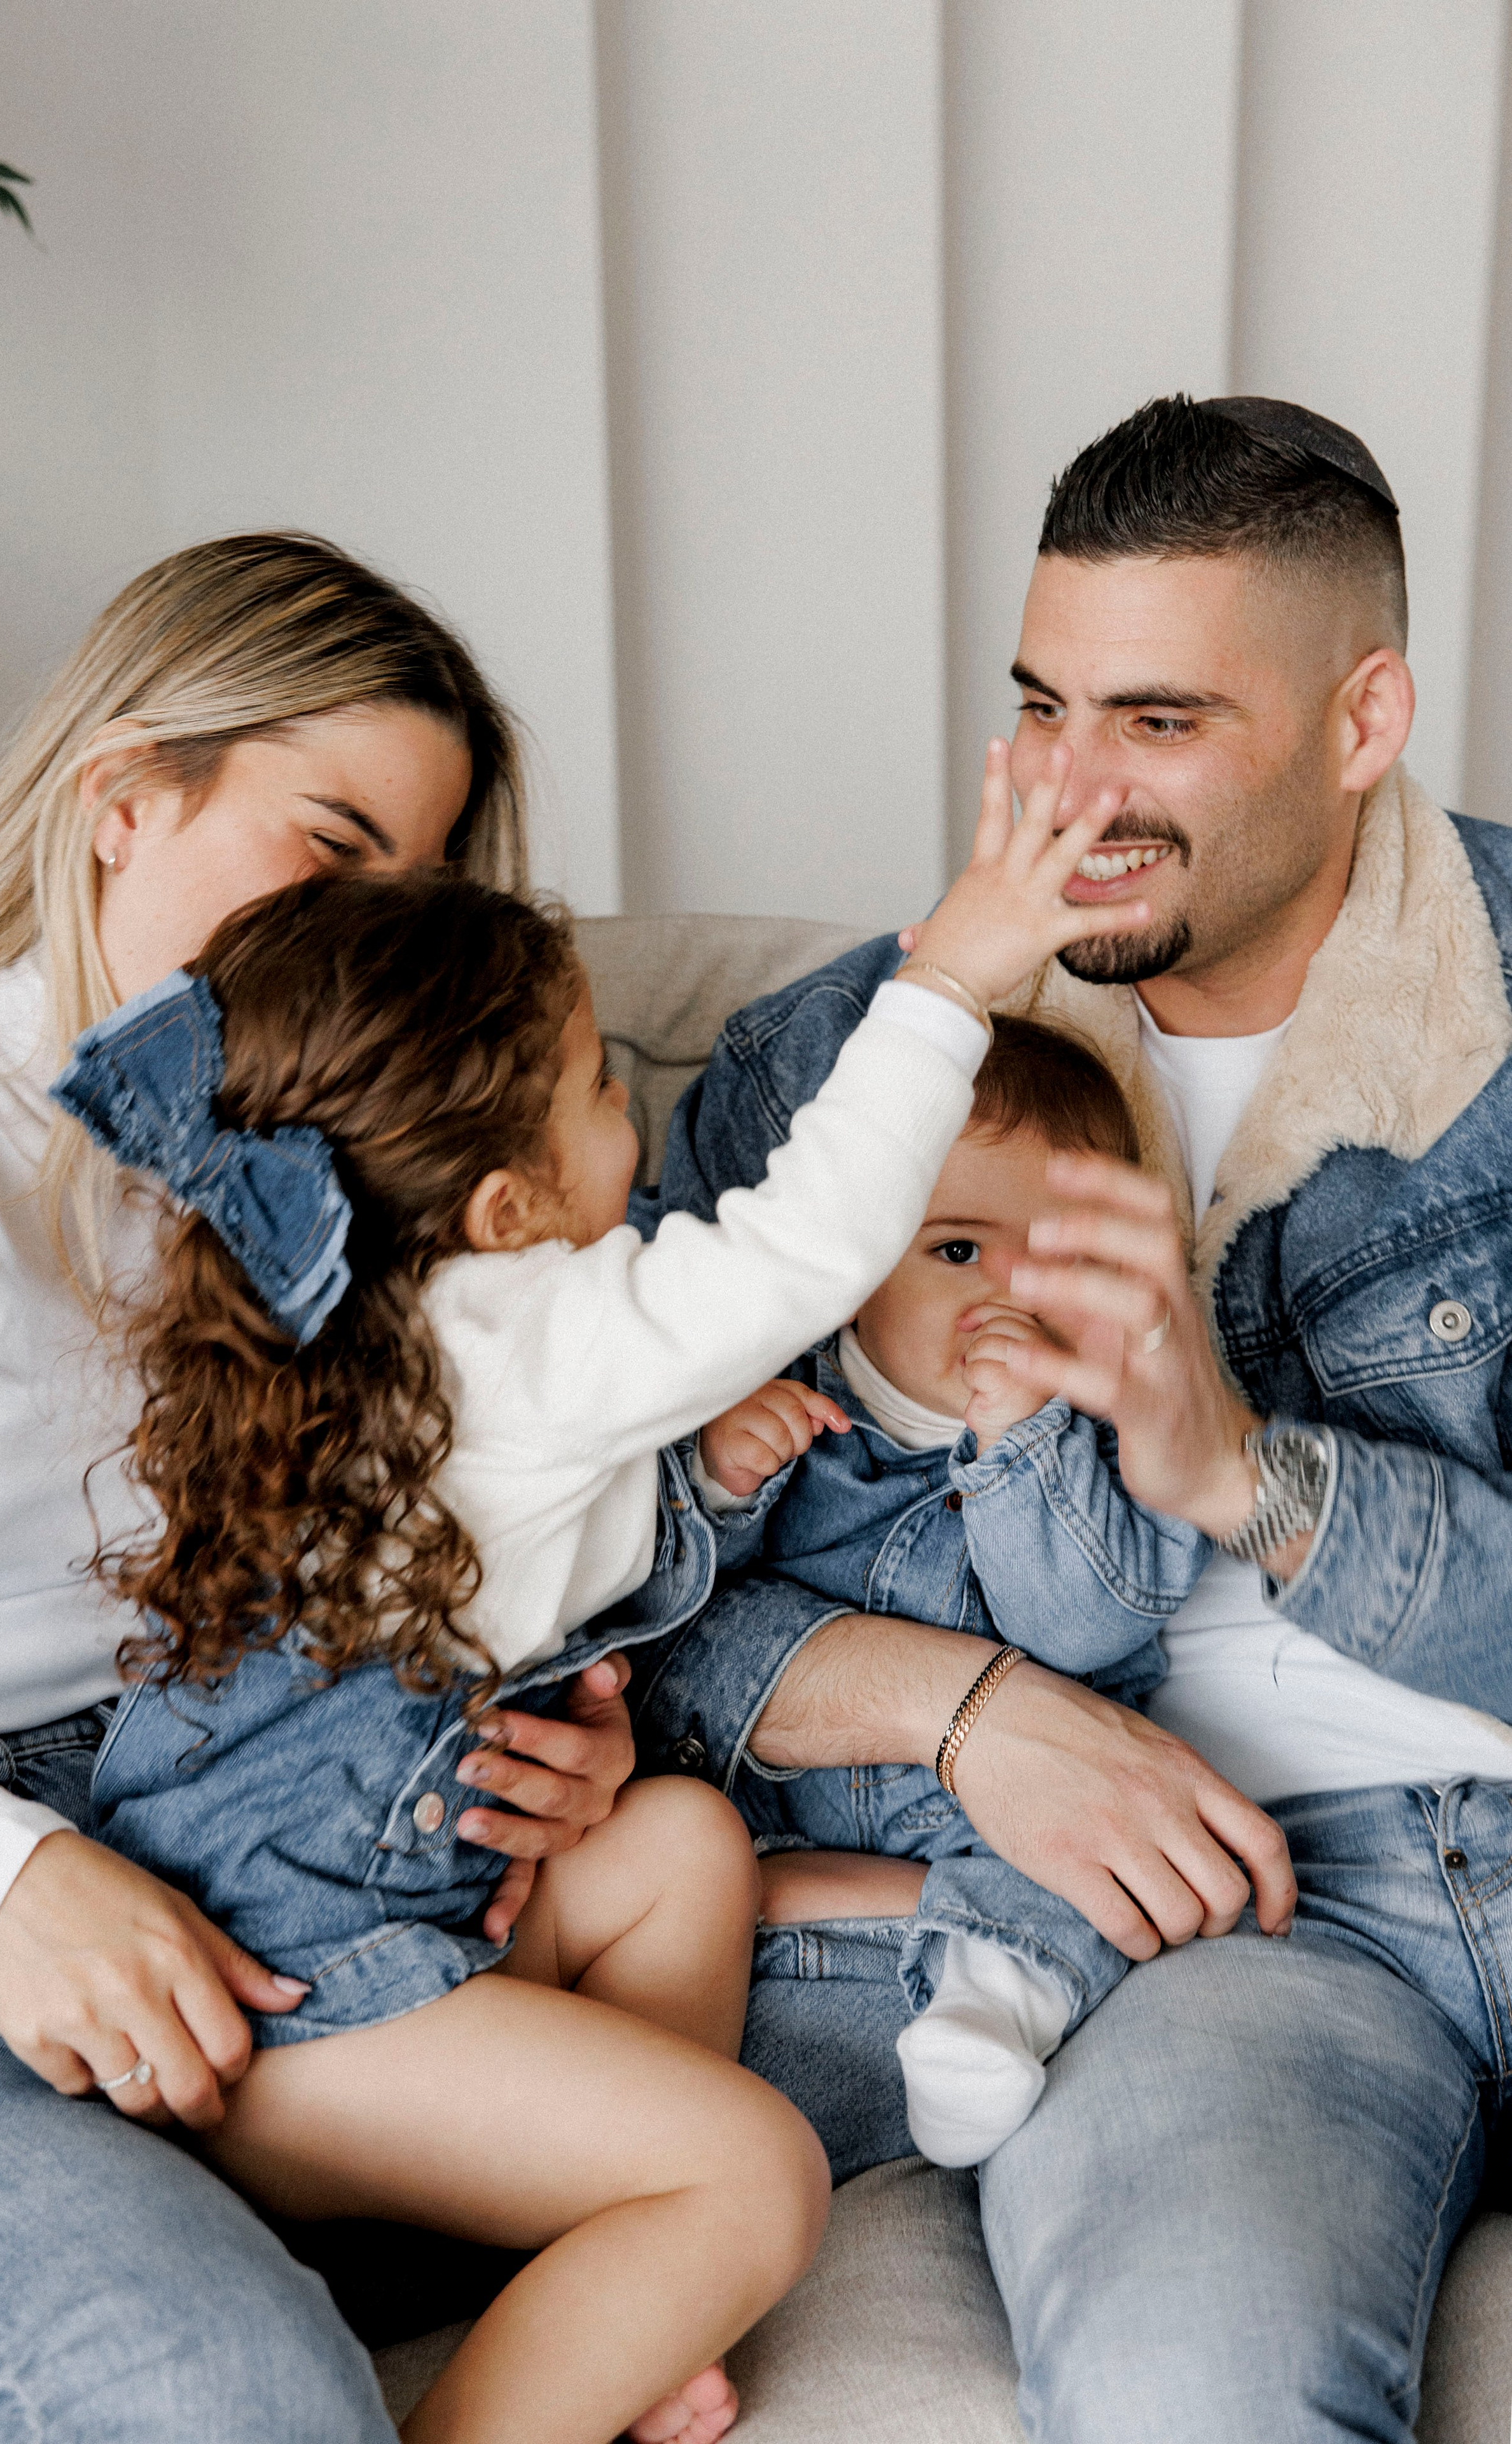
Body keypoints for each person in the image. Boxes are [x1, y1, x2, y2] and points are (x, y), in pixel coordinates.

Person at [54, 757, 1144, 2438]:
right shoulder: (514, 1326)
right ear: (505, 1212)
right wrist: (950, 977)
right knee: (758, 2175)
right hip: (305, 2008)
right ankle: (569, 2330)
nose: (639, 1121)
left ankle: (603, 2266)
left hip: (337, 1945)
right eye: (599, 1093)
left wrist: (701, 1477)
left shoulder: (387, 1335)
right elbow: (801, 1248)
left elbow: (530, 1545)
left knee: (678, 1850)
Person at [633, 395, 1512, 2439]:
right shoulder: (841, 1069)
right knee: (1200, 2385)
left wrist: (1245, 1477)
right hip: (1236, 1932)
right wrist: (966, 1711)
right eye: (1042, 705)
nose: (1068, 793)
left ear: (1361, 717)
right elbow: (612, 1590)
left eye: (1161, 723)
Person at [0, 532, 641, 2440]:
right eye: (334, 841)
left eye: (426, 883)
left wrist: (540, 1726)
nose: (378, 928)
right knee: (222, 2397)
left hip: (270, 1850)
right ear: (124, 799)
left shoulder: (359, 1160)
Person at [688, 1016, 1213, 2166]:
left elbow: (1085, 1623)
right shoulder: (788, 1398)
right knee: (662, 1850)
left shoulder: (1115, 1440)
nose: (1004, 1299)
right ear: (856, 1255)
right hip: (776, 1826)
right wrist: (721, 1482)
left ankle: (986, 2004)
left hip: (1009, 1844)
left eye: (1058, 1260)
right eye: (958, 1251)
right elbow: (671, 1625)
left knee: (1100, 1886)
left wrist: (1022, 1447)